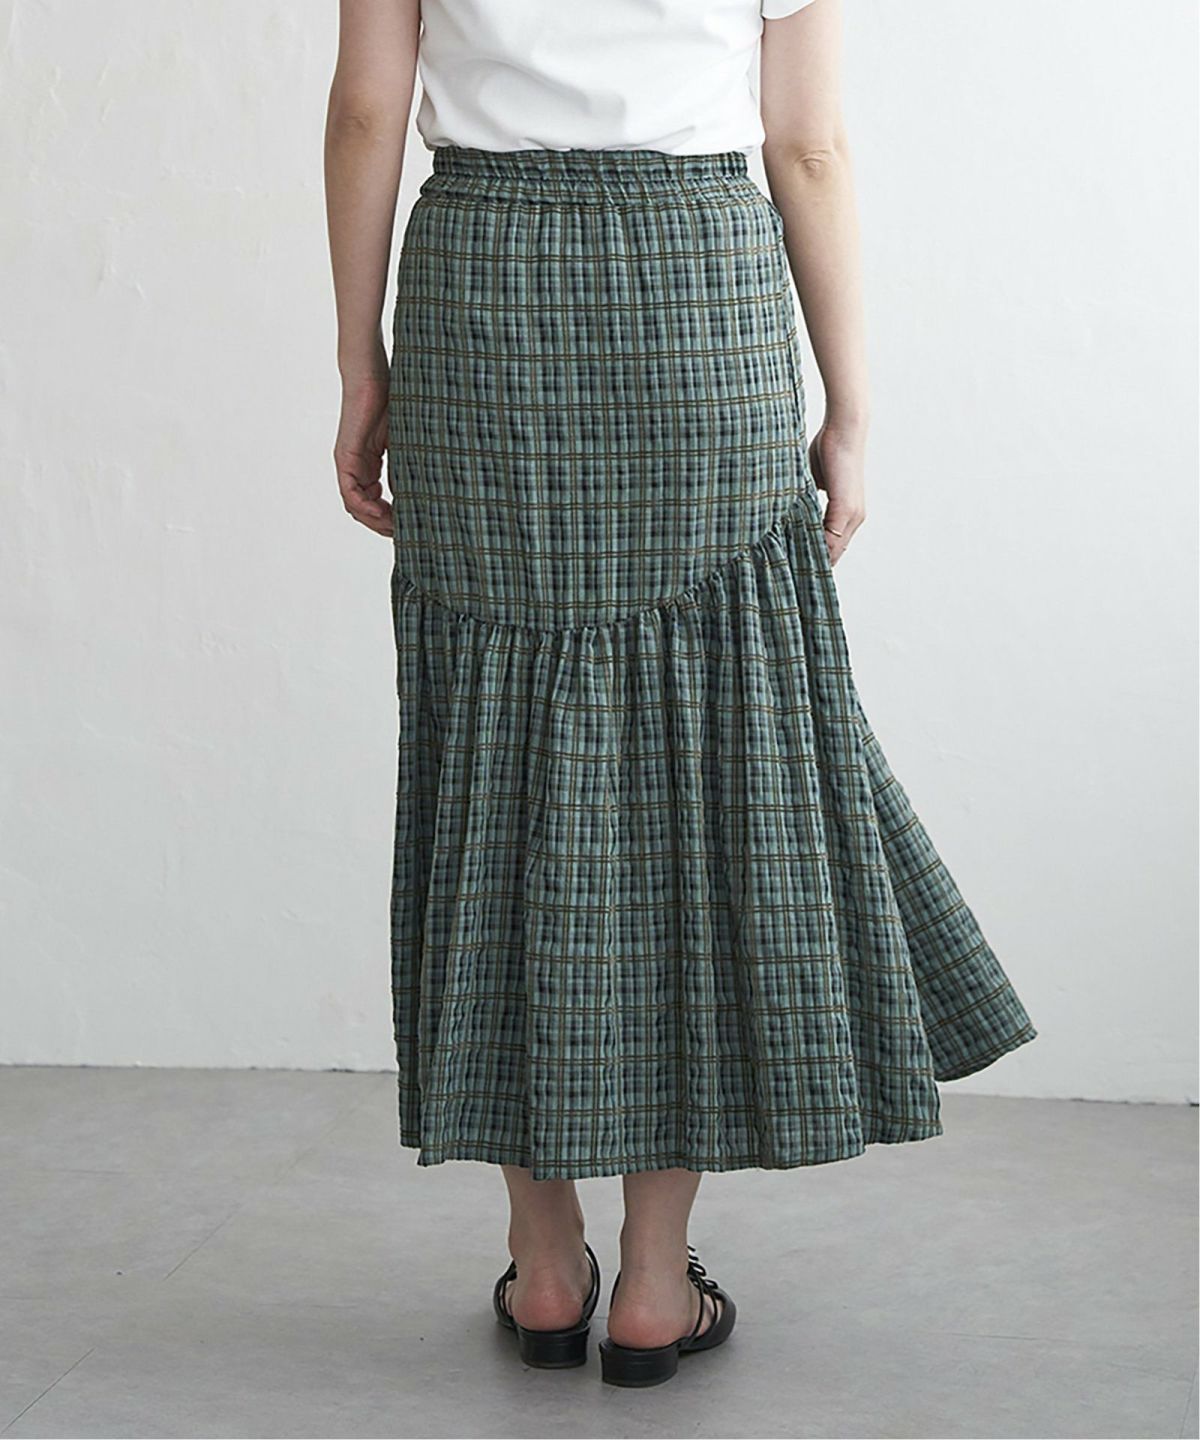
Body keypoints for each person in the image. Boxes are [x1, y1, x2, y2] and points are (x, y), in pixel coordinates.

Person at [323, 0, 1037, 1389]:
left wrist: (360, 362)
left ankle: (545, 1263)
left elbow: (364, 114)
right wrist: (851, 408)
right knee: (698, 769)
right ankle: (654, 1281)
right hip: (695, 287)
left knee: (500, 754)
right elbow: (808, 148)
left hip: (482, 291)